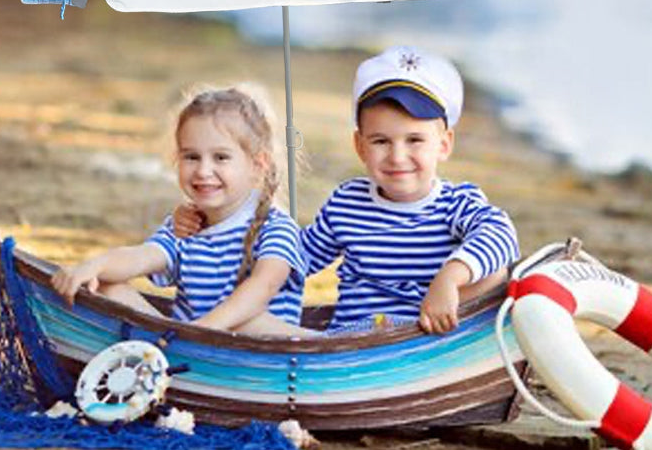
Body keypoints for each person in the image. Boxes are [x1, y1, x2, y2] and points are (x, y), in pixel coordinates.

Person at [51, 85, 309, 336]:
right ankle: (162, 349)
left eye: (221, 157)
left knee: (247, 322)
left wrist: (201, 331)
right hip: (186, 350)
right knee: (108, 287)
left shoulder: (276, 228)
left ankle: (318, 342)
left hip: (257, 357)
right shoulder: (186, 226)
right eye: (191, 157)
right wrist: (93, 266)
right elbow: (140, 257)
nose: (203, 171)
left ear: (257, 165)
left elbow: (263, 286)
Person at [308, 45, 520, 334]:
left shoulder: (456, 203)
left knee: (496, 271)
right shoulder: (346, 203)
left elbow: (501, 235)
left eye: (414, 140)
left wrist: (448, 278)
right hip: (354, 336)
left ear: (444, 145)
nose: (397, 156)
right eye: (381, 141)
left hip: (428, 330)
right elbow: (300, 257)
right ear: (360, 146)